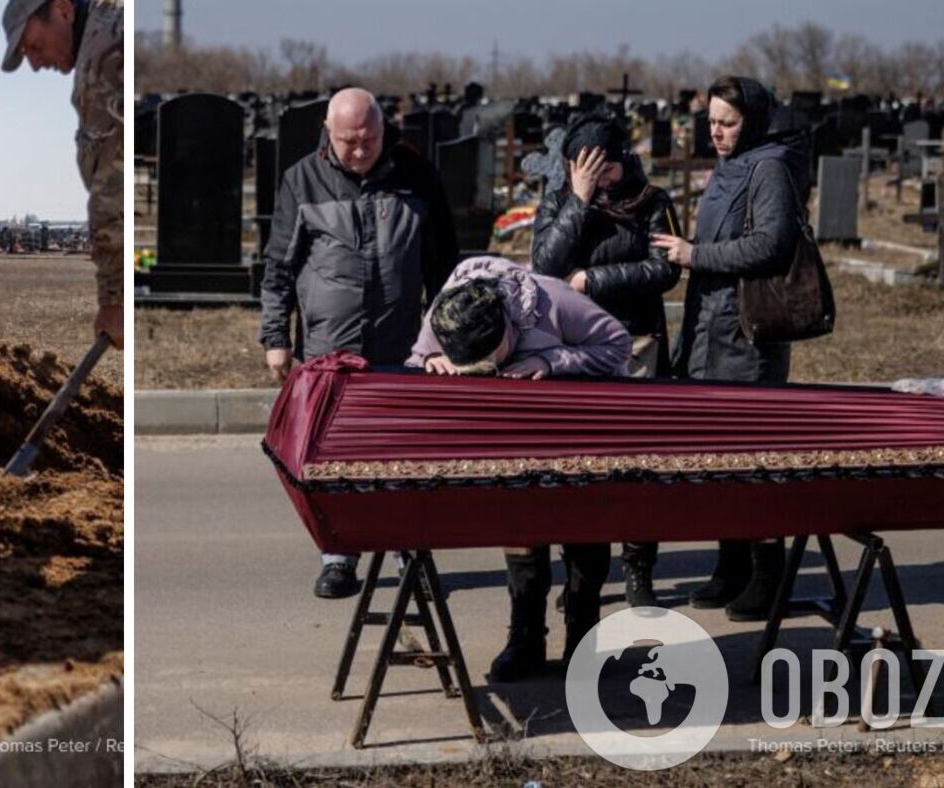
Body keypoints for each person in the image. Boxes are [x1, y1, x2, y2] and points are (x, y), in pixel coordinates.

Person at [259, 87, 458, 599]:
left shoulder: (416, 176)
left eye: (368, 139)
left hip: (403, 347)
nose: (358, 150)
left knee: (402, 454)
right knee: (332, 459)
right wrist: (276, 338)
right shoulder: (301, 180)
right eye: (348, 141)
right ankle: (338, 557)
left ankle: (407, 557)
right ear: (328, 130)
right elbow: (279, 267)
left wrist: (447, 340)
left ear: (382, 130)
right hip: (330, 351)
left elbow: (443, 267)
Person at [407, 255, 631, 681]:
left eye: (492, 359)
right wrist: (427, 365)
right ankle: (525, 640)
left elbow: (617, 344)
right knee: (521, 532)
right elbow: (417, 358)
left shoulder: (555, 302)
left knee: (584, 534)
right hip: (512, 438)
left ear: (508, 328)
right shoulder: (446, 314)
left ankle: (584, 644)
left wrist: (551, 363)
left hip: (582, 431)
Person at [651, 75, 809, 622]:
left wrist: (696, 255)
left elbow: (772, 243)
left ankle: (768, 575)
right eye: (712, 122)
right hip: (708, 333)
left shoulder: (769, 167)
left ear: (753, 122)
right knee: (718, 459)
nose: (716, 132)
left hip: (746, 337)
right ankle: (731, 565)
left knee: (752, 460)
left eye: (728, 123)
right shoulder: (729, 165)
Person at [529, 111, 682, 607]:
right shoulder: (560, 200)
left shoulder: (651, 201)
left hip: (635, 341)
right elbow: (544, 265)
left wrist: (593, 280)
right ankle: (580, 577)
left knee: (637, 463)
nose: (600, 175)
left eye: (606, 167)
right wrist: (579, 199)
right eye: (585, 165)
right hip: (572, 346)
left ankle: (639, 566)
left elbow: (663, 269)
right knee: (580, 460)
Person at [0, 0, 122, 349]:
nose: (35, 64)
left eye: (33, 46)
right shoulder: (116, 20)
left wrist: (114, 300)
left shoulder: (101, 60)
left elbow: (111, 189)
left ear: (64, 11)